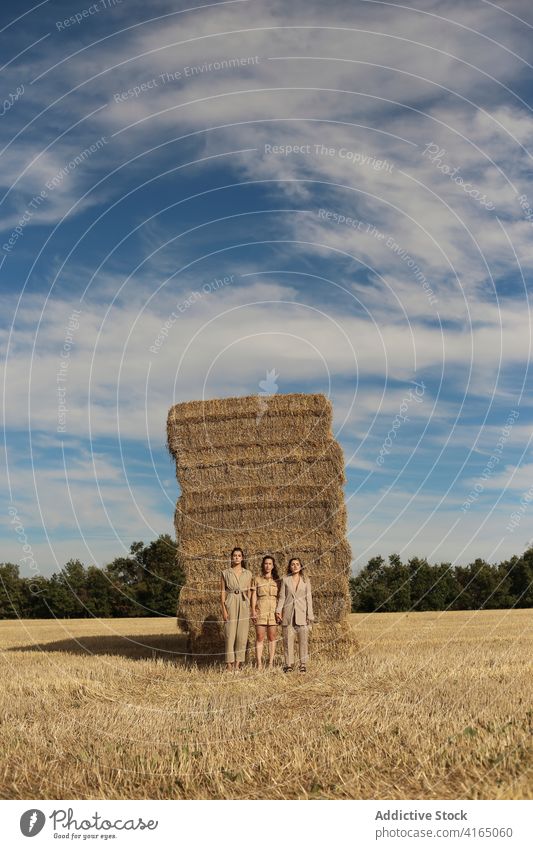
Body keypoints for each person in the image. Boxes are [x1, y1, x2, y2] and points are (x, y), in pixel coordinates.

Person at [275, 557, 314, 672]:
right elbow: (282, 597)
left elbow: (309, 599)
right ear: (289, 567)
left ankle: (303, 664)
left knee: (303, 641)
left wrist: (310, 615)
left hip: (302, 614)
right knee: (287, 641)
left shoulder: (306, 580)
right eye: (293, 564)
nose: (295, 566)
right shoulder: (285, 580)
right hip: (288, 614)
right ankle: (288, 665)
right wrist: (278, 611)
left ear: (301, 566)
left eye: (297, 564)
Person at [220, 547, 252, 671]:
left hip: (243, 602)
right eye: (234, 555)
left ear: (242, 558)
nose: (236, 557)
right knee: (230, 634)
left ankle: (238, 664)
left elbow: (249, 591)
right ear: (231, 558)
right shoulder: (225, 573)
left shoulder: (248, 573)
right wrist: (223, 608)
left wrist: (249, 605)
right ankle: (229, 664)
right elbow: (222, 591)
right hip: (231, 600)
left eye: (239, 555)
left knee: (242, 635)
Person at [251, 555, 280, 670]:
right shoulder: (257, 579)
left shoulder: (277, 581)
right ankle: (259, 664)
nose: (268, 566)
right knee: (260, 636)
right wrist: (253, 610)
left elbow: (280, 598)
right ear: (263, 565)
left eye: (270, 564)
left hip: (273, 610)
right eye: (266, 563)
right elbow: (253, 596)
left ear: (273, 566)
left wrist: (279, 612)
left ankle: (271, 663)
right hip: (261, 609)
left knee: (272, 637)